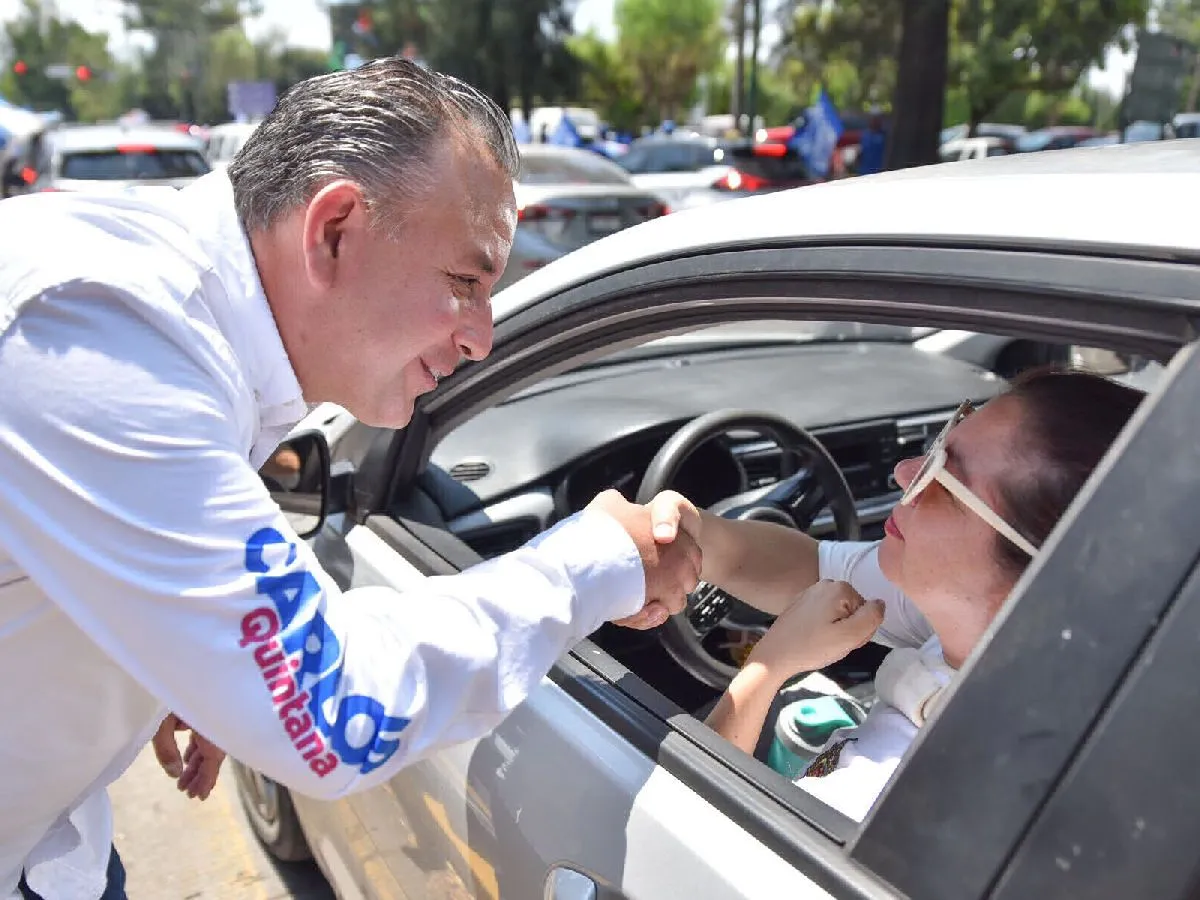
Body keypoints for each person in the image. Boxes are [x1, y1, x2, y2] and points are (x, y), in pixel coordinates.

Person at [0, 59, 701, 899]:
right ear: (334, 230)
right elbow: (333, 719)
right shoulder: (106, 326)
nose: (482, 337)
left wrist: (203, 658)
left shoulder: (173, 310)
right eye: (465, 282)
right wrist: (597, 558)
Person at [650, 369, 1144, 821]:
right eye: (939, 446)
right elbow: (811, 569)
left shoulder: (902, 799)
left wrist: (766, 670)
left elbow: (679, 833)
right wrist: (691, 533)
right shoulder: (993, 626)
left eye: (946, 480)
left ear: (1040, 572)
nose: (905, 472)